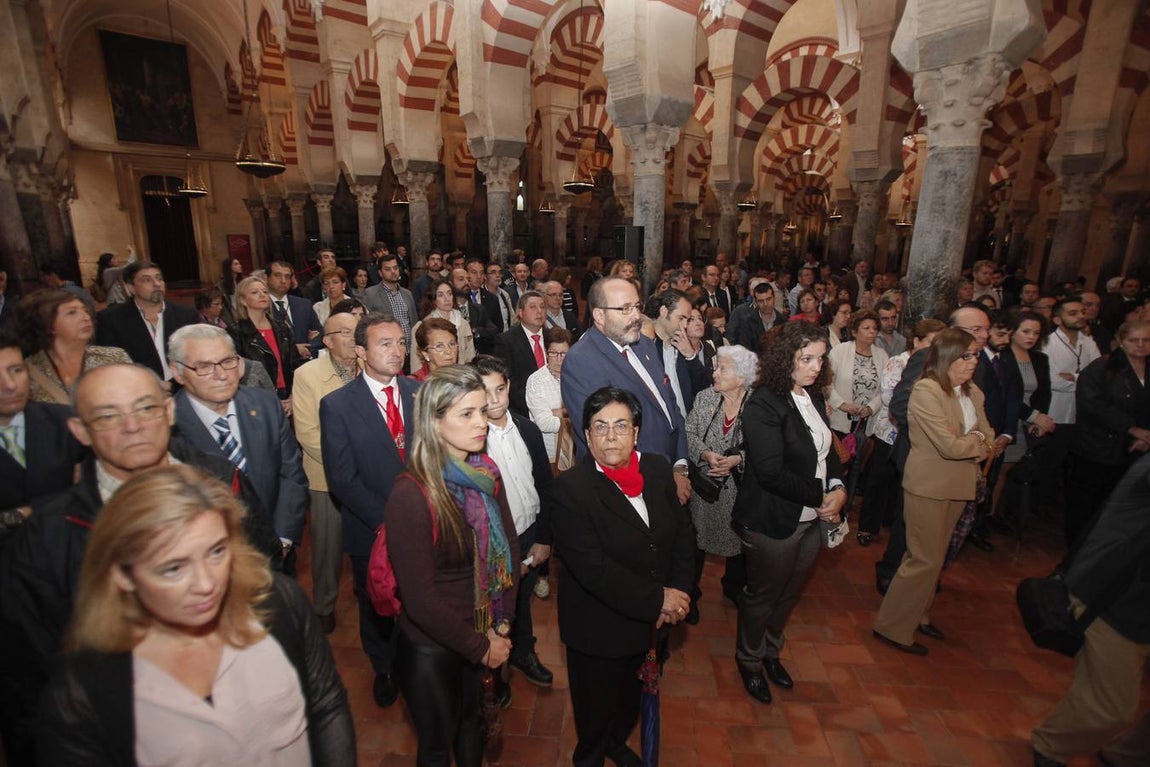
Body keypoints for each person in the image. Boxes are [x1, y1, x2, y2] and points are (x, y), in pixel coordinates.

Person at [0, 363, 280, 765]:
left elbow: (266, 580)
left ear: (169, 411)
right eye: (108, 416)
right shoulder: (47, 537)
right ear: (80, 431)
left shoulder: (221, 482)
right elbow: (29, 680)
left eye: (146, 408)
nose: (132, 427)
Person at [37, 465, 356, 765]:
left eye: (216, 551)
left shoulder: (278, 603)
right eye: (174, 568)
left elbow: (326, 705)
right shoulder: (81, 696)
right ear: (122, 574)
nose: (206, 584)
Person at [550, 387, 695, 767]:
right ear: (587, 436)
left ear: (636, 432)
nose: (611, 436)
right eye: (600, 427)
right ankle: (594, 754)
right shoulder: (571, 490)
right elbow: (594, 570)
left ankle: (616, 742)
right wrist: (659, 599)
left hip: (651, 624)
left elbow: (682, 534)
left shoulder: (657, 469)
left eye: (621, 425)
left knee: (632, 699)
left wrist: (679, 591)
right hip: (600, 629)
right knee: (594, 716)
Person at [384, 365, 520, 765]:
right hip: (433, 646)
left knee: (473, 727)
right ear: (435, 421)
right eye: (467, 414)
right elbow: (420, 600)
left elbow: (510, 547)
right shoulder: (411, 494)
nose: (482, 422)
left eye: (483, 410)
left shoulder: (485, 472)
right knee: (437, 746)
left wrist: (503, 623)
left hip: (483, 629)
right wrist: (481, 647)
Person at [731, 322, 847, 703]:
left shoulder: (809, 394)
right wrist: (822, 495)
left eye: (821, 359)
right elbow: (770, 472)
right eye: (806, 359)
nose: (815, 367)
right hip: (773, 519)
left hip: (811, 518)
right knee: (763, 596)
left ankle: (771, 652)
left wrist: (838, 488)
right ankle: (749, 661)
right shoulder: (763, 403)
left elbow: (827, 451)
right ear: (785, 358)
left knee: (789, 594)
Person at [872, 328, 994, 655]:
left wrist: (975, 441)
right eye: (965, 355)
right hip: (928, 485)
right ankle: (893, 626)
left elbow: (990, 436)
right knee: (923, 559)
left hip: (959, 484)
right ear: (947, 356)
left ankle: (918, 615)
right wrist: (976, 441)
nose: (973, 361)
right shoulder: (927, 390)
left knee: (937, 559)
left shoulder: (973, 392)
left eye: (975, 355)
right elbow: (950, 445)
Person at [320, 314, 418, 709]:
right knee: (376, 604)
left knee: (418, 597)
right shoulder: (338, 405)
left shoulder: (418, 392)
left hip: (422, 523)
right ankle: (384, 668)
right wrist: (389, 522)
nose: (397, 351)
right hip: (371, 527)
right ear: (361, 351)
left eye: (401, 342)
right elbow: (343, 479)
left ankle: (416, 663)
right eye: (385, 343)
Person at [1030, 453, 1150, 767]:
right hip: (1114, 602)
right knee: (1112, 708)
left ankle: (1127, 755)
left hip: (1132, 603)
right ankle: (1050, 746)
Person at [170, 324, 309, 570]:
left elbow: (291, 473)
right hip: (207, 564)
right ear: (178, 373)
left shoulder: (265, 404)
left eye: (227, 362)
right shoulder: (167, 428)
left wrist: (283, 539)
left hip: (276, 554)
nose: (221, 374)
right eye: (204, 366)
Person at [561, 277, 693, 506]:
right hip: (630, 489)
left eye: (637, 307)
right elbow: (610, 442)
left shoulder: (643, 344)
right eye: (625, 309)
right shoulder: (582, 361)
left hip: (670, 471)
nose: (636, 316)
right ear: (599, 315)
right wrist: (665, 475)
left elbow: (670, 406)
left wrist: (680, 463)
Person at [473, 355, 555, 688]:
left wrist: (544, 538)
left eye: (499, 389)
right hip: (496, 544)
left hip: (530, 532)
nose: (494, 399)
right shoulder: (473, 441)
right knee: (496, 609)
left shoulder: (527, 429)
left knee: (521, 600)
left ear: (508, 388)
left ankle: (523, 652)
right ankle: (493, 674)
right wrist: (505, 556)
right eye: (484, 392)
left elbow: (545, 486)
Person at [291, 312, 360, 634]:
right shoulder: (307, 375)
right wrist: (350, 465)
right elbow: (308, 434)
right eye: (345, 332)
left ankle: (367, 589)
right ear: (328, 341)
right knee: (327, 548)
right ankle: (324, 605)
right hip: (326, 478)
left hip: (369, 476)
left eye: (357, 330)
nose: (353, 337)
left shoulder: (369, 367)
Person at [857, 319, 946, 546]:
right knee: (878, 480)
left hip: (916, 436)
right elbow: (890, 398)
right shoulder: (898, 362)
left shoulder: (939, 365)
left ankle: (892, 522)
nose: (936, 348)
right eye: (931, 342)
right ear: (916, 341)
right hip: (889, 432)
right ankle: (867, 526)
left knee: (902, 483)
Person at [1064, 319, 1150, 546]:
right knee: (1088, 501)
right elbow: (1093, 405)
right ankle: (1079, 547)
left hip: (1136, 449)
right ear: (1121, 341)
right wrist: (1131, 429)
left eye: (1146, 340)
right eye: (1134, 340)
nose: (1141, 345)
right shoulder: (1103, 368)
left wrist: (1145, 435)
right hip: (1097, 445)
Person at [686, 344, 758, 605]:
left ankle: (733, 588)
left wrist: (739, 459)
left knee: (738, 543)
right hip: (705, 489)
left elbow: (765, 447)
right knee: (695, 542)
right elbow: (689, 432)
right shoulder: (705, 397)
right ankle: (690, 594)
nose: (714, 373)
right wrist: (706, 454)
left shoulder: (757, 404)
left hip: (740, 491)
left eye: (722, 369)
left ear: (741, 377)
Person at [0, 325, 84, 535]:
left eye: (16, 370)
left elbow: (96, 489)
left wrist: (22, 513)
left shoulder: (66, 422)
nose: (10, 385)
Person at [18, 289, 131, 404]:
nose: (86, 317)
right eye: (72, 312)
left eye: (86, 311)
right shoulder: (28, 371)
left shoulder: (113, 358)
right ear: (48, 324)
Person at [94, 261, 198, 383]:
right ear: (131, 288)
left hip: (183, 386)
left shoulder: (186, 315)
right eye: (147, 280)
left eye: (159, 278)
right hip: (138, 387)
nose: (157, 284)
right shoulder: (110, 319)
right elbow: (112, 366)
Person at [231, 276, 297, 411]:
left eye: (265, 292)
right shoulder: (236, 333)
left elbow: (295, 363)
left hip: (287, 394)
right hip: (255, 399)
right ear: (243, 300)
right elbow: (237, 373)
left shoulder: (283, 329)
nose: (262, 295)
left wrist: (293, 395)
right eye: (254, 292)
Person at [645, 289, 707, 419]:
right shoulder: (645, 347)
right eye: (681, 318)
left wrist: (691, 356)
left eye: (687, 320)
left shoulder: (682, 344)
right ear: (664, 312)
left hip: (684, 424)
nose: (684, 325)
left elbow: (703, 389)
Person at [827, 310, 889, 438]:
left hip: (866, 423)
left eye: (874, 328)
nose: (872, 332)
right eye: (866, 328)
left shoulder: (882, 355)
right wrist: (843, 405)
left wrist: (870, 408)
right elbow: (827, 384)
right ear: (854, 332)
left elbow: (885, 389)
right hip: (839, 419)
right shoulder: (839, 351)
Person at [493, 290, 548, 416]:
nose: (539, 311)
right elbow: (507, 381)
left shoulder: (554, 337)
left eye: (542, 307)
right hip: (524, 409)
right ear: (520, 312)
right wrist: (537, 406)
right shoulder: (506, 341)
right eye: (533, 307)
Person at [525, 327, 572, 463]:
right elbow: (544, 423)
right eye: (554, 353)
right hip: (550, 455)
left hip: (576, 451)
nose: (559, 359)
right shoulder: (536, 381)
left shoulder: (577, 375)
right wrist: (571, 415)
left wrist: (556, 412)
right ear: (546, 352)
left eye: (563, 353)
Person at [267, 260, 323, 365]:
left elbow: (320, 334)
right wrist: (294, 349)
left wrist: (309, 345)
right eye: (278, 275)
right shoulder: (262, 307)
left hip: (306, 363)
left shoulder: (304, 304)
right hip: (277, 366)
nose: (283, 281)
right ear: (267, 278)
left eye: (287, 277)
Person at [413, 279, 475, 367]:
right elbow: (416, 364)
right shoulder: (421, 327)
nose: (447, 298)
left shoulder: (463, 324)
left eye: (449, 294)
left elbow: (470, 358)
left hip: (460, 372)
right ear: (433, 300)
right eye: (440, 295)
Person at [363, 250, 417, 350]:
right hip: (386, 349)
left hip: (409, 349)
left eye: (395, 268)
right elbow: (366, 324)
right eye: (388, 269)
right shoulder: (370, 294)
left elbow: (414, 323)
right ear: (380, 273)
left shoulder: (407, 294)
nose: (393, 272)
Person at [727, 281, 785, 352]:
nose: (765, 304)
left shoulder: (782, 321)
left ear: (774, 298)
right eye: (761, 301)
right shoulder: (747, 322)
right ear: (756, 302)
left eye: (768, 299)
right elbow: (745, 349)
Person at [218, 255, 244, 324]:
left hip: (244, 311)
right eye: (236, 264)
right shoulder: (222, 286)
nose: (240, 266)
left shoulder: (243, 282)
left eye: (239, 264)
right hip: (232, 315)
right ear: (229, 267)